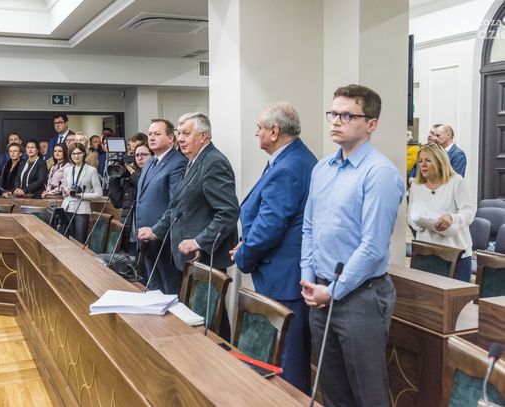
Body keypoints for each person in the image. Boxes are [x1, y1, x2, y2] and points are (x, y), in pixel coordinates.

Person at [300, 84, 404, 406]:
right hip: (320, 293)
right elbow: (309, 228)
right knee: (333, 392)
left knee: (368, 394)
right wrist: (308, 277)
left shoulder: (379, 173)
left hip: (361, 297)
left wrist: (333, 291)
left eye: (347, 115)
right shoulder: (322, 168)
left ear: (371, 124)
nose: (336, 121)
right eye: (333, 114)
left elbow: (372, 247)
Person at [229, 103, 317, 393]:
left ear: (275, 131)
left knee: (288, 365)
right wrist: (246, 243)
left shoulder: (289, 166)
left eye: (259, 127)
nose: (256, 133)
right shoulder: (291, 158)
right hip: (282, 272)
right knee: (283, 358)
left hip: (284, 278)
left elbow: (271, 225)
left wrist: (244, 254)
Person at [138, 113, 239, 339]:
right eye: (179, 133)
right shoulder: (193, 161)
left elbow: (228, 212)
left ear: (203, 136)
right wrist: (156, 231)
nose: (180, 138)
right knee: (198, 317)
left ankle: (220, 357)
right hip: (189, 257)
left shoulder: (213, 162)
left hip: (205, 256)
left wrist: (199, 241)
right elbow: (177, 207)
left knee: (211, 320)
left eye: (186, 133)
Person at [408, 143, 475, 282]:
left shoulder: (456, 181)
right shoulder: (416, 185)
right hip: (426, 252)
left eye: (428, 160)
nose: (423, 165)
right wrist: (420, 223)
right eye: (420, 161)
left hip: (455, 252)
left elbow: (469, 213)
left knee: (456, 295)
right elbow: (410, 216)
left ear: (439, 162)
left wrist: (451, 218)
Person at [136, 119, 187, 293]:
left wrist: (156, 230)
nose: (151, 138)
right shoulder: (150, 162)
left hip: (163, 237)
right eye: (150, 134)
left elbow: (175, 203)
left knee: (168, 290)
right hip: (145, 234)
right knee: (153, 288)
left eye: (157, 134)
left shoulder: (178, 162)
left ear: (171, 138)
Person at [109, 142, 153, 255]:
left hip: (148, 231)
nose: (140, 158)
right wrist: (115, 178)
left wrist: (132, 173)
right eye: (137, 155)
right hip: (130, 231)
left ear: (153, 156)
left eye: (144, 154)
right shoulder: (130, 177)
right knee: (131, 261)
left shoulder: (153, 175)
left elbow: (147, 188)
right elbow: (117, 202)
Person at [61, 142, 103, 243]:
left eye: (79, 153)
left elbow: (99, 194)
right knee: (67, 240)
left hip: (82, 209)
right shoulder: (67, 170)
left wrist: (81, 195)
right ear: (70, 155)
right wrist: (66, 190)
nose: (76, 156)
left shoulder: (91, 170)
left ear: (84, 153)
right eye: (73, 154)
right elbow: (64, 189)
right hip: (67, 207)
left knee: (80, 241)